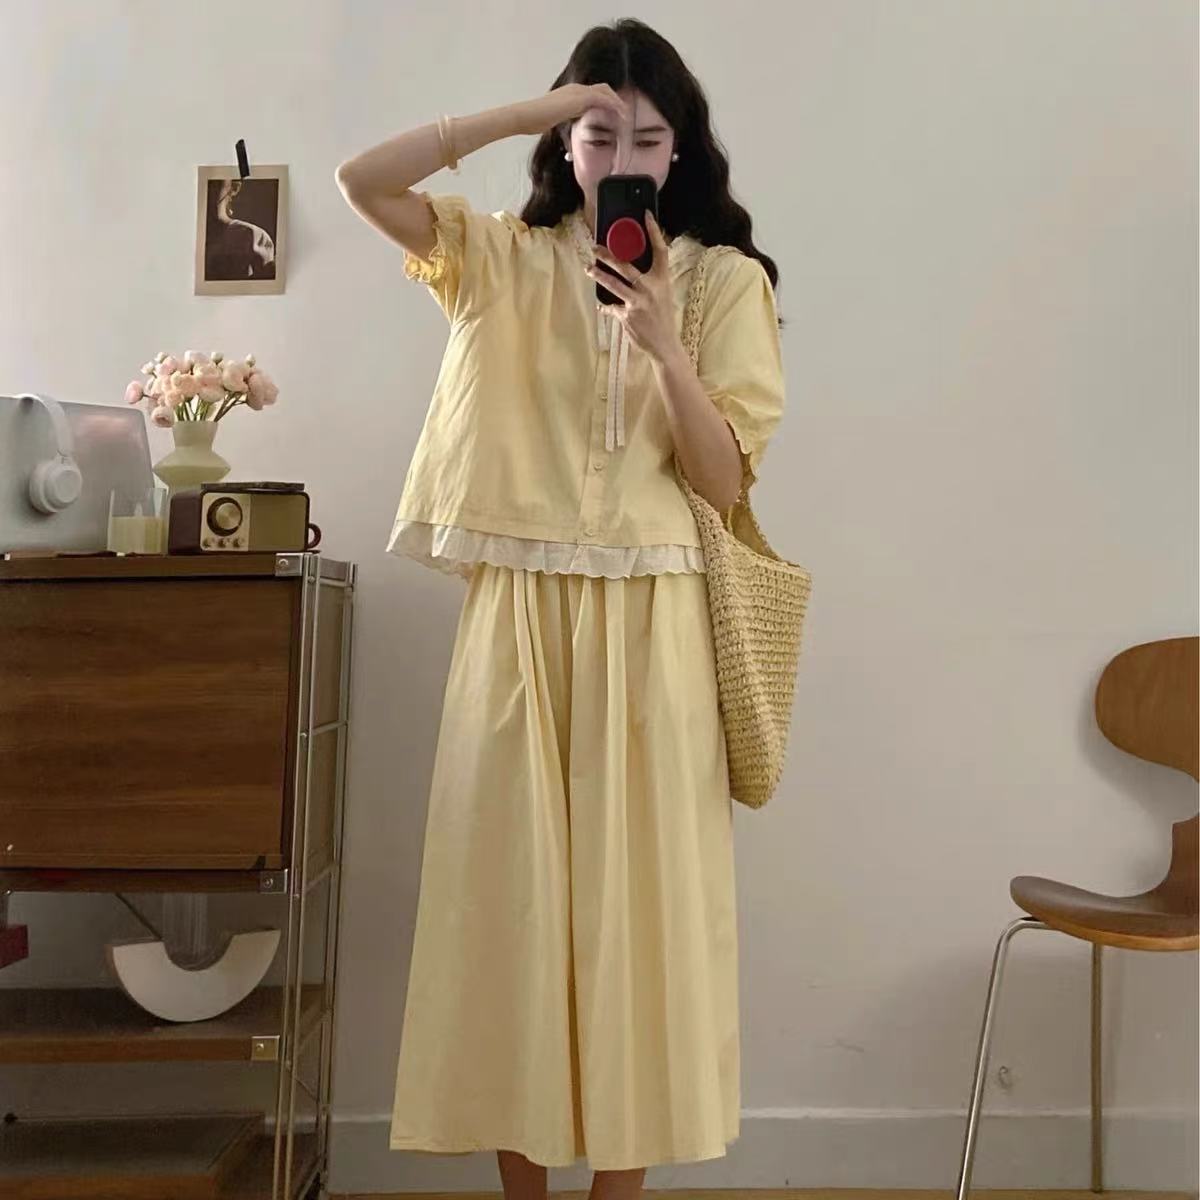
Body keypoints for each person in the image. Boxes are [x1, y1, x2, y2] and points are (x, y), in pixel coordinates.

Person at [336, 17, 784, 1200]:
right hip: (517, 615)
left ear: (682, 150)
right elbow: (361, 181)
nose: (622, 157)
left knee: (640, 923)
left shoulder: (726, 282)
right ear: (564, 144)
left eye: (648, 137)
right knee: (507, 916)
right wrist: (532, 112)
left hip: (656, 625)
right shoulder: (495, 258)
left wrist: (663, 345)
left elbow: (723, 483)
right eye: (598, 134)